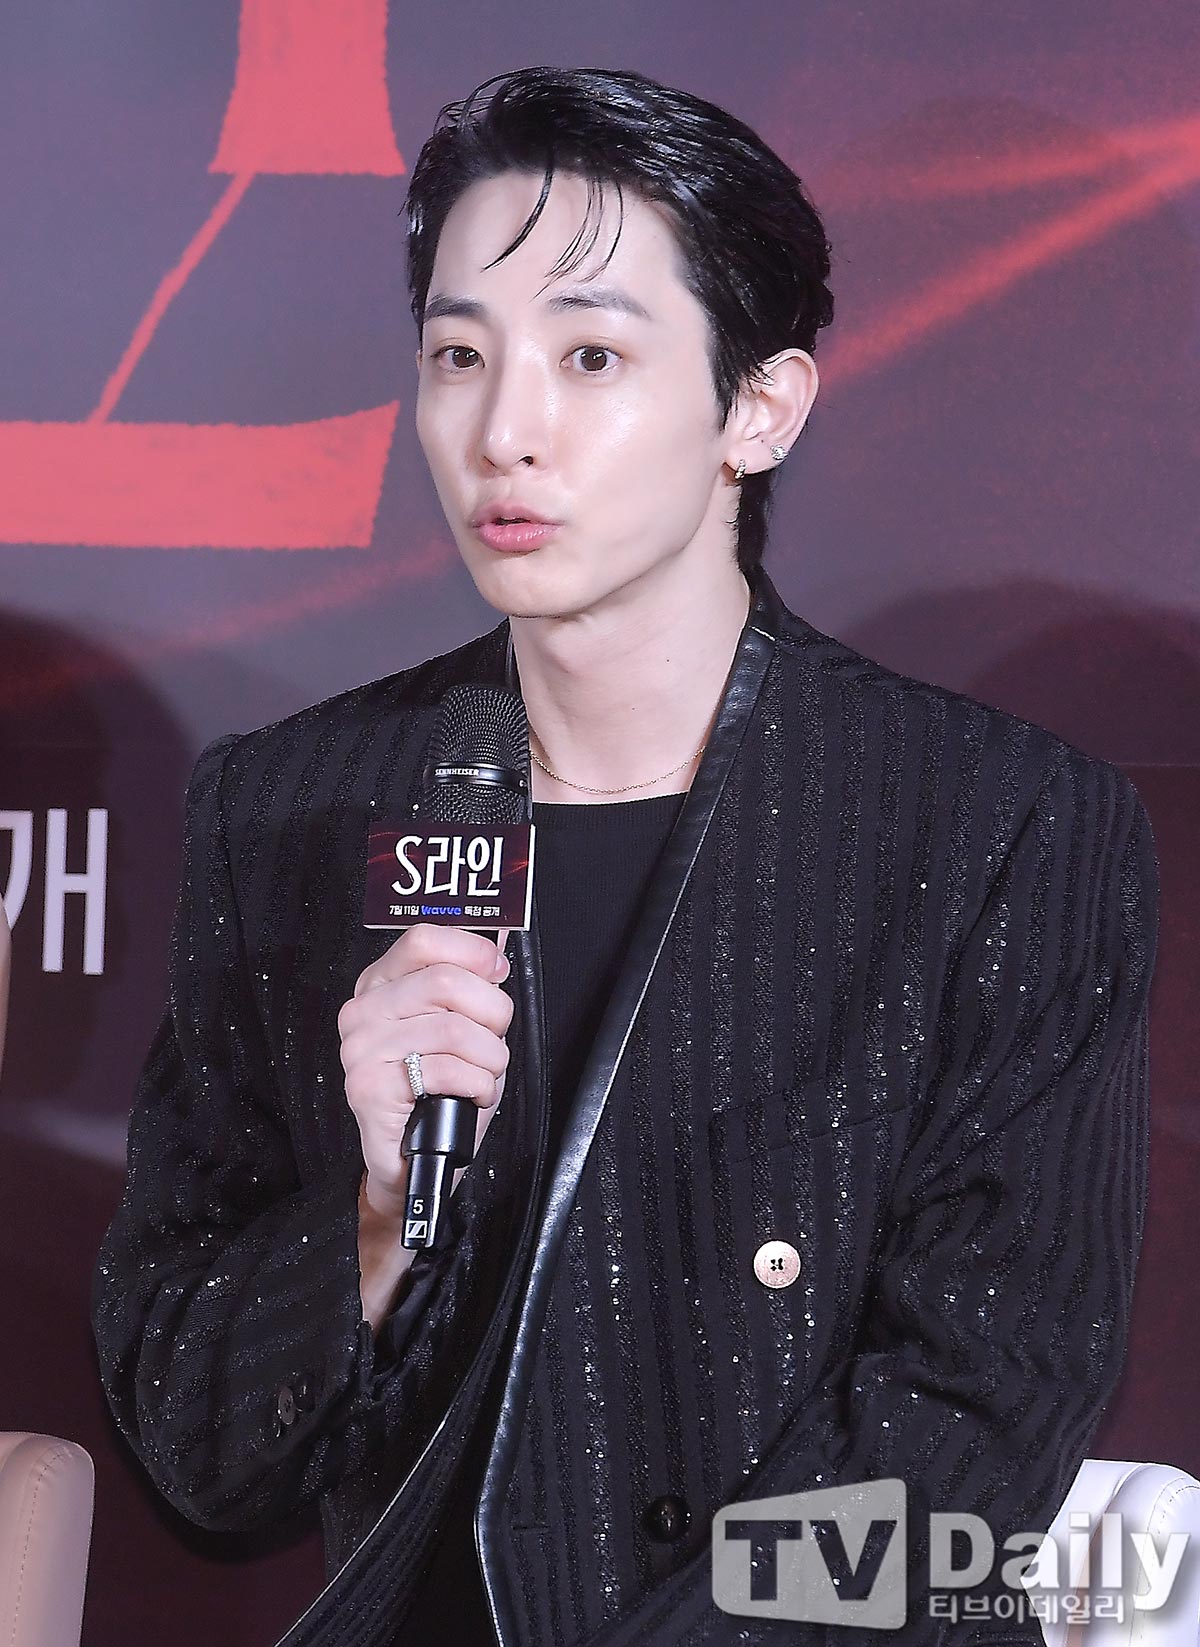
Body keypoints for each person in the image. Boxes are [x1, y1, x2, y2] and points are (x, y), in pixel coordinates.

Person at [91, 66, 1159, 1647]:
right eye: (459, 356)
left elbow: (971, 1441)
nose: (503, 432)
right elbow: (197, 1453)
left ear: (759, 407)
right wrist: (377, 1218)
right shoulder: (292, 811)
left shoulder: (991, 824)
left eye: (591, 356)